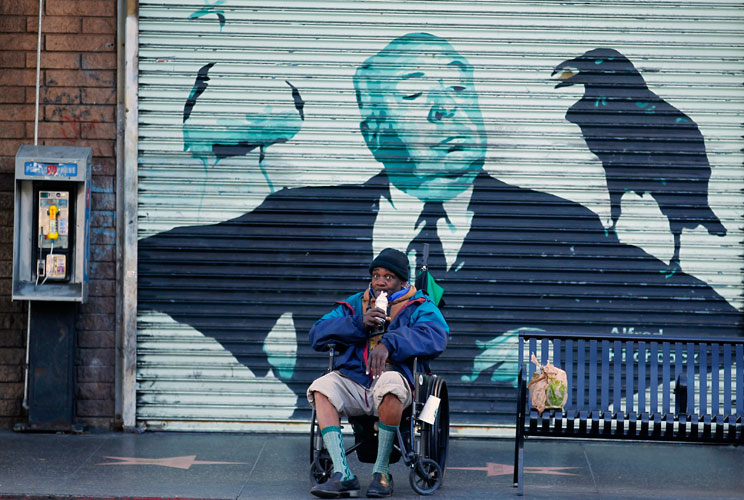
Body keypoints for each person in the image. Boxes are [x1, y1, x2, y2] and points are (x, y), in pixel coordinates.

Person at [138, 33, 741, 422]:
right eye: (413, 93)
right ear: (374, 133)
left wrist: (556, 358)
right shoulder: (304, 216)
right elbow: (155, 266)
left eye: (458, 87)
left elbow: (708, 319)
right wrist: (245, 362)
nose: (445, 105)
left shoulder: (558, 223)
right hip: (354, 424)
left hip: (488, 444)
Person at [307, 248, 448, 498]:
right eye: (376, 275)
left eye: (389, 277)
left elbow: (435, 336)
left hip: (396, 378)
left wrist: (390, 343)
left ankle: (381, 472)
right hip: (355, 379)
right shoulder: (354, 304)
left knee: (391, 383)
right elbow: (317, 333)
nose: (381, 282)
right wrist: (358, 323)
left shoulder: (420, 305)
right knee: (322, 387)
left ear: (403, 281)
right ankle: (342, 474)